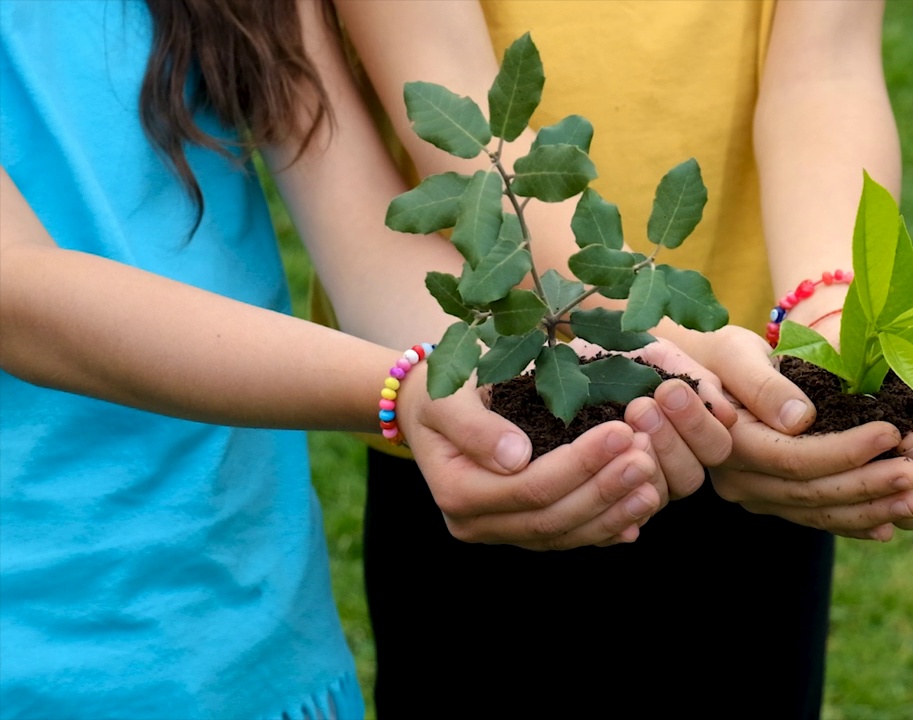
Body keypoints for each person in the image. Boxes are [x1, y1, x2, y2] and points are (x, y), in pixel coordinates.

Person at [0, 0, 733, 716]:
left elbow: (360, 232)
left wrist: (541, 376)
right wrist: (403, 390)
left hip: (245, 627)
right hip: (33, 651)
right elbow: (20, 297)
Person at [332, 1, 913, 718]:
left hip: (761, 423)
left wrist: (831, 324)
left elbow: (825, 68)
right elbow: (455, 117)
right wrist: (678, 354)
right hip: (494, 421)